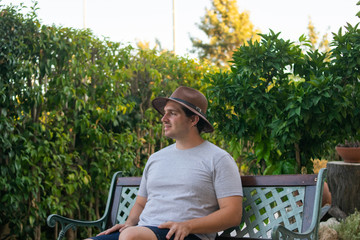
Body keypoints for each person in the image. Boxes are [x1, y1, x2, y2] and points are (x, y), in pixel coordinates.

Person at [86, 86, 243, 240]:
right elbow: (141, 203)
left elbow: (233, 214)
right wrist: (128, 223)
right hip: (142, 232)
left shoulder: (218, 159)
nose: (163, 118)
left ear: (193, 120)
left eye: (172, 113)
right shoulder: (156, 158)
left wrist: (188, 226)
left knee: (131, 236)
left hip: (187, 234)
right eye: (165, 113)